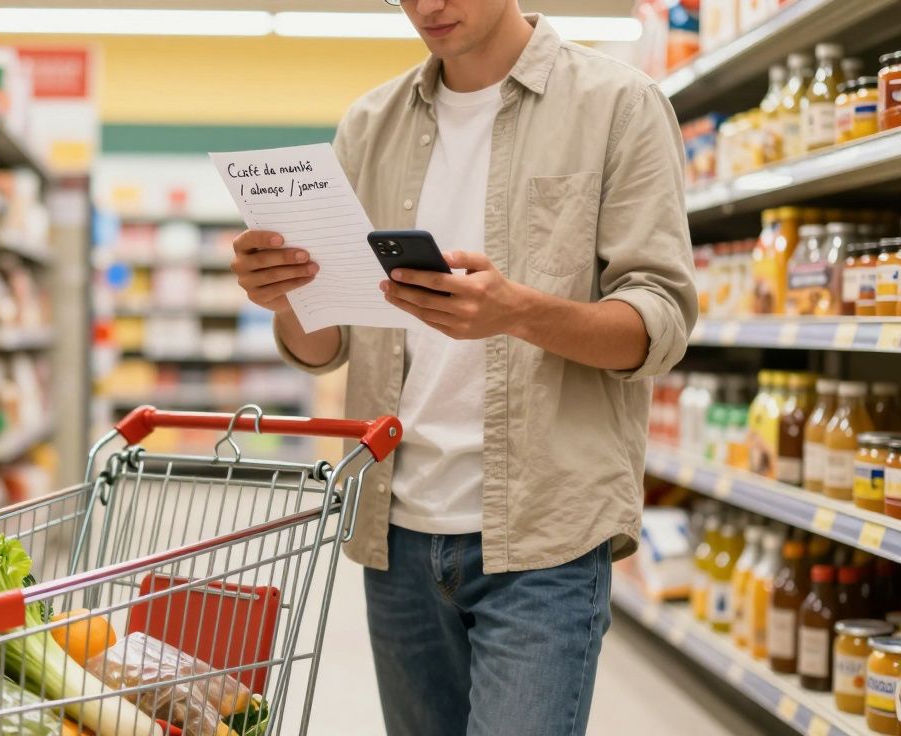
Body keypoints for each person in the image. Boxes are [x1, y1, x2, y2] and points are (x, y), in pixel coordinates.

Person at [230, 1, 697, 734]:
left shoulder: (617, 105)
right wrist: (285, 298)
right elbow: (330, 344)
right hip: (397, 536)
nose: (428, 7)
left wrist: (519, 313)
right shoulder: (369, 124)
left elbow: (659, 326)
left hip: (545, 541)